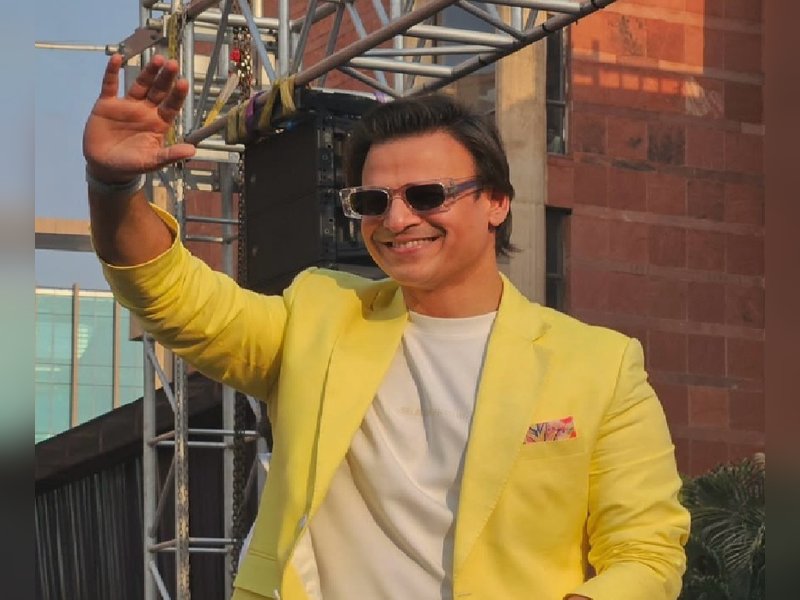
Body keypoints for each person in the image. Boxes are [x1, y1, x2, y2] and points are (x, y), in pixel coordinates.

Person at [84, 54, 690, 600]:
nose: (397, 220)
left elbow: (646, 551)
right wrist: (114, 188)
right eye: (374, 201)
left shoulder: (600, 364)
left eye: (427, 195)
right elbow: (175, 298)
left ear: (496, 202)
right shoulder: (319, 314)